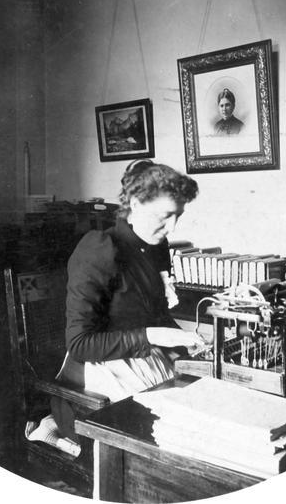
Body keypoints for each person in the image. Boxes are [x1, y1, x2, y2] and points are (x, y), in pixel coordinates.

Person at [52, 160, 203, 439]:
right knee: (176, 433)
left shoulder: (155, 247)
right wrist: (152, 336)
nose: (172, 227)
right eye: (165, 216)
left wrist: (190, 343)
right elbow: (79, 345)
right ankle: (53, 424)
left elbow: (153, 313)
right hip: (99, 373)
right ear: (135, 203)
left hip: (145, 358)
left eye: (178, 216)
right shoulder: (99, 249)